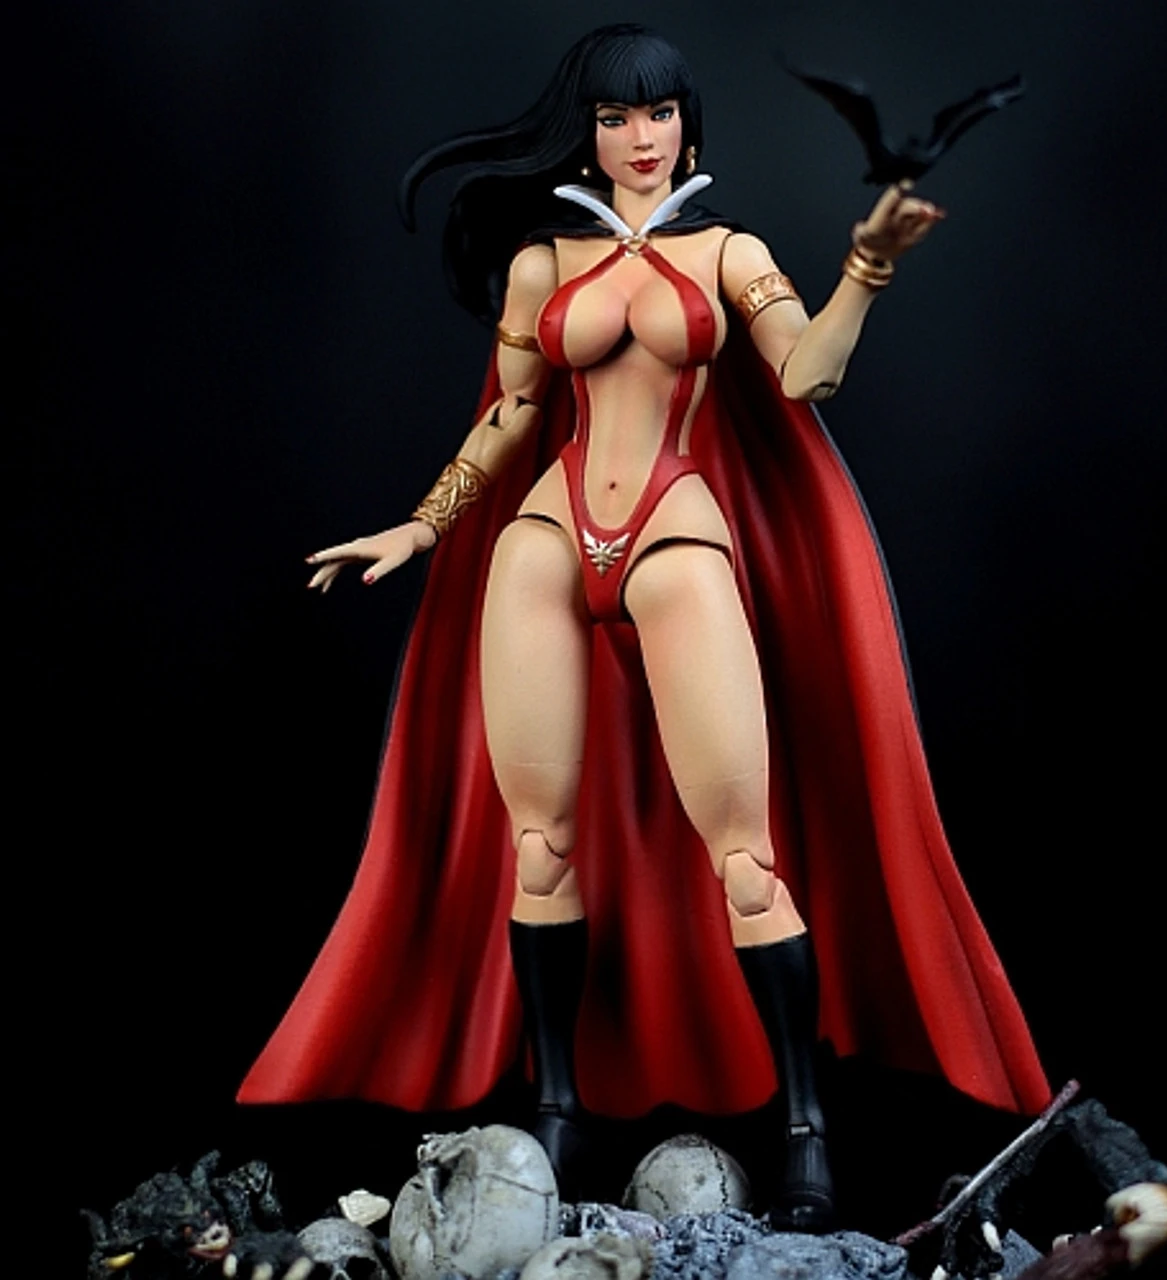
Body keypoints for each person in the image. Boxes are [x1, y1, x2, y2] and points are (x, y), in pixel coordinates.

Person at [238, 24, 1051, 1231]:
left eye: (656, 113)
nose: (637, 137)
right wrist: (421, 525)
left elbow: (804, 377)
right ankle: (556, 1106)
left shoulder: (727, 251)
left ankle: (804, 1123)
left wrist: (865, 268)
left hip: (673, 534)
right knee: (539, 845)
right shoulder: (542, 261)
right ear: (587, 130)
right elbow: (512, 415)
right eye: (614, 116)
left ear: (686, 123)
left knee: (744, 858)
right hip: (544, 537)